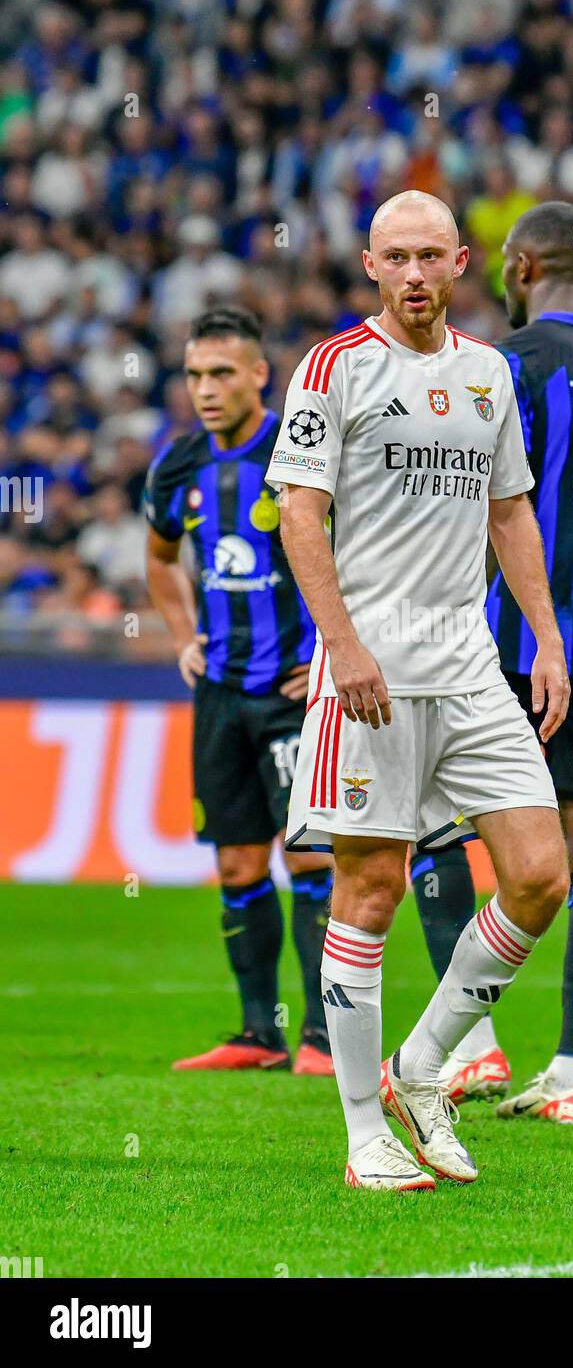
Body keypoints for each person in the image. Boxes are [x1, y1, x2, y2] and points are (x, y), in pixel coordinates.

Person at [266, 190, 571, 1192]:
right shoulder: (335, 367)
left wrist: (544, 636)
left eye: (427, 256)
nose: (409, 273)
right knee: (371, 888)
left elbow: (511, 510)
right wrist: (340, 642)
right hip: (373, 674)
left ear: (456, 265)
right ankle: (363, 1135)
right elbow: (298, 515)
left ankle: (420, 1063)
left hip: (470, 668)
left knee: (537, 874)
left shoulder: (487, 374)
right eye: (392, 256)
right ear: (368, 265)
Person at [415, 201, 573, 1125]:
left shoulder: (508, 366)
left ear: (518, 268)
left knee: (436, 825)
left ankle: (472, 1046)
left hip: (505, 644)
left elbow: (476, 501)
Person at [143, 306, 334, 1075]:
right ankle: (260, 1034)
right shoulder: (179, 465)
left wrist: (329, 648)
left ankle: (322, 1039)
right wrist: (184, 635)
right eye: (193, 375)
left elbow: (359, 550)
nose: (205, 389)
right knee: (237, 866)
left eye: (221, 373)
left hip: (294, 691)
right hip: (220, 694)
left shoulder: (304, 451)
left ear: (260, 373)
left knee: (314, 862)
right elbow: (159, 559)